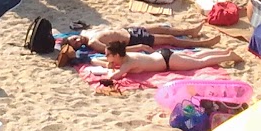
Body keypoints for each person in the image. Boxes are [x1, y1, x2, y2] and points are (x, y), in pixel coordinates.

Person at [93, 40, 238, 85]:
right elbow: (97, 60)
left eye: (107, 55)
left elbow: (115, 77)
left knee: (200, 62)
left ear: (116, 55)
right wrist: (103, 63)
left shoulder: (127, 64)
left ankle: (228, 56)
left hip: (167, 61)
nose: (105, 57)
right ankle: (224, 52)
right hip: (163, 54)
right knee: (197, 56)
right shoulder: (126, 57)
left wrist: (109, 68)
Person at [67, 23, 218, 53]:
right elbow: (115, 50)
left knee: (161, 27)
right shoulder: (93, 43)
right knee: (169, 39)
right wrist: (138, 47)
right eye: (76, 43)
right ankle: (204, 43)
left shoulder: (85, 33)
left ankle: (190, 31)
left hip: (128, 29)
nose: (78, 40)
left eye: (75, 39)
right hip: (132, 38)